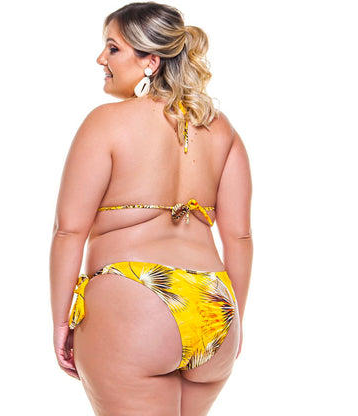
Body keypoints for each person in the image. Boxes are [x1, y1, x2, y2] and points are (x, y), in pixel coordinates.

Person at [49, 2, 253, 415]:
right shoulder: (221, 129)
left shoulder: (105, 122)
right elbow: (240, 237)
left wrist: (60, 321)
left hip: (134, 303)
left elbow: (68, 231)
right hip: (214, 306)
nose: (101, 59)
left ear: (151, 61)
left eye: (113, 48)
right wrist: (235, 319)